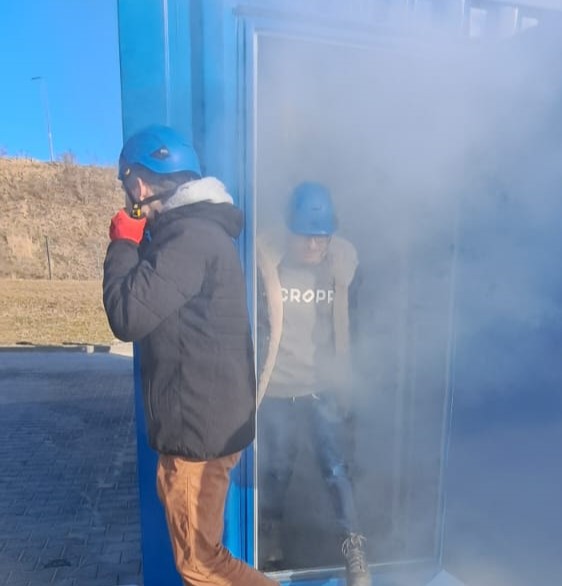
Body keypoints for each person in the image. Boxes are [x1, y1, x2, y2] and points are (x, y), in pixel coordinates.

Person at [103, 125, 277, 586]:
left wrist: (122, 242)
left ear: (139, 185)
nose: (127, 197)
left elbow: (127, 316)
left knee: (202, 562)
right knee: (200, 557)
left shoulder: (189, 239)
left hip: (199, 435)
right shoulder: (196, 234)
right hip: (202, 428)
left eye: (126, 185)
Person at [256, 181, 370, 586]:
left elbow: (353, 326)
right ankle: (269, 538)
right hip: (277, 389)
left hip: (321, 387)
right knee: (277, 470)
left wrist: (348, 381)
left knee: (336, 469)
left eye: (322, 238)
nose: (314, 246)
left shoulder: (341, 270)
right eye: (306, 236)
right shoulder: (265, 268)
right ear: (287, 230)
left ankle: (354, 548)